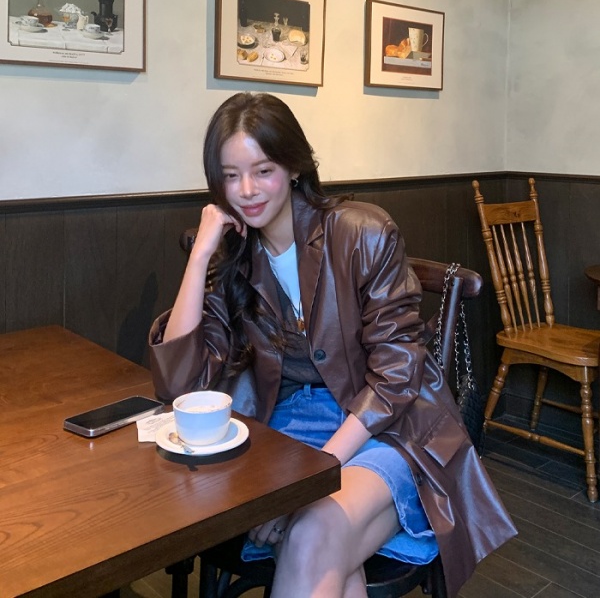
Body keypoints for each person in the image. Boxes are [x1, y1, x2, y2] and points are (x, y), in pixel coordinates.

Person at [149, 92, 517, 598]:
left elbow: (396, 378)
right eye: (231, 176)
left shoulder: (362, 232)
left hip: (388, 427)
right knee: (327, 554)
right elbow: (179, 385)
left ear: (294, 167)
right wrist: (200, 255)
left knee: (310, 531)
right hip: (285, 432)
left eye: (263, 171)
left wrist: (309, 482)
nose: (247, 191)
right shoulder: (234, 254)